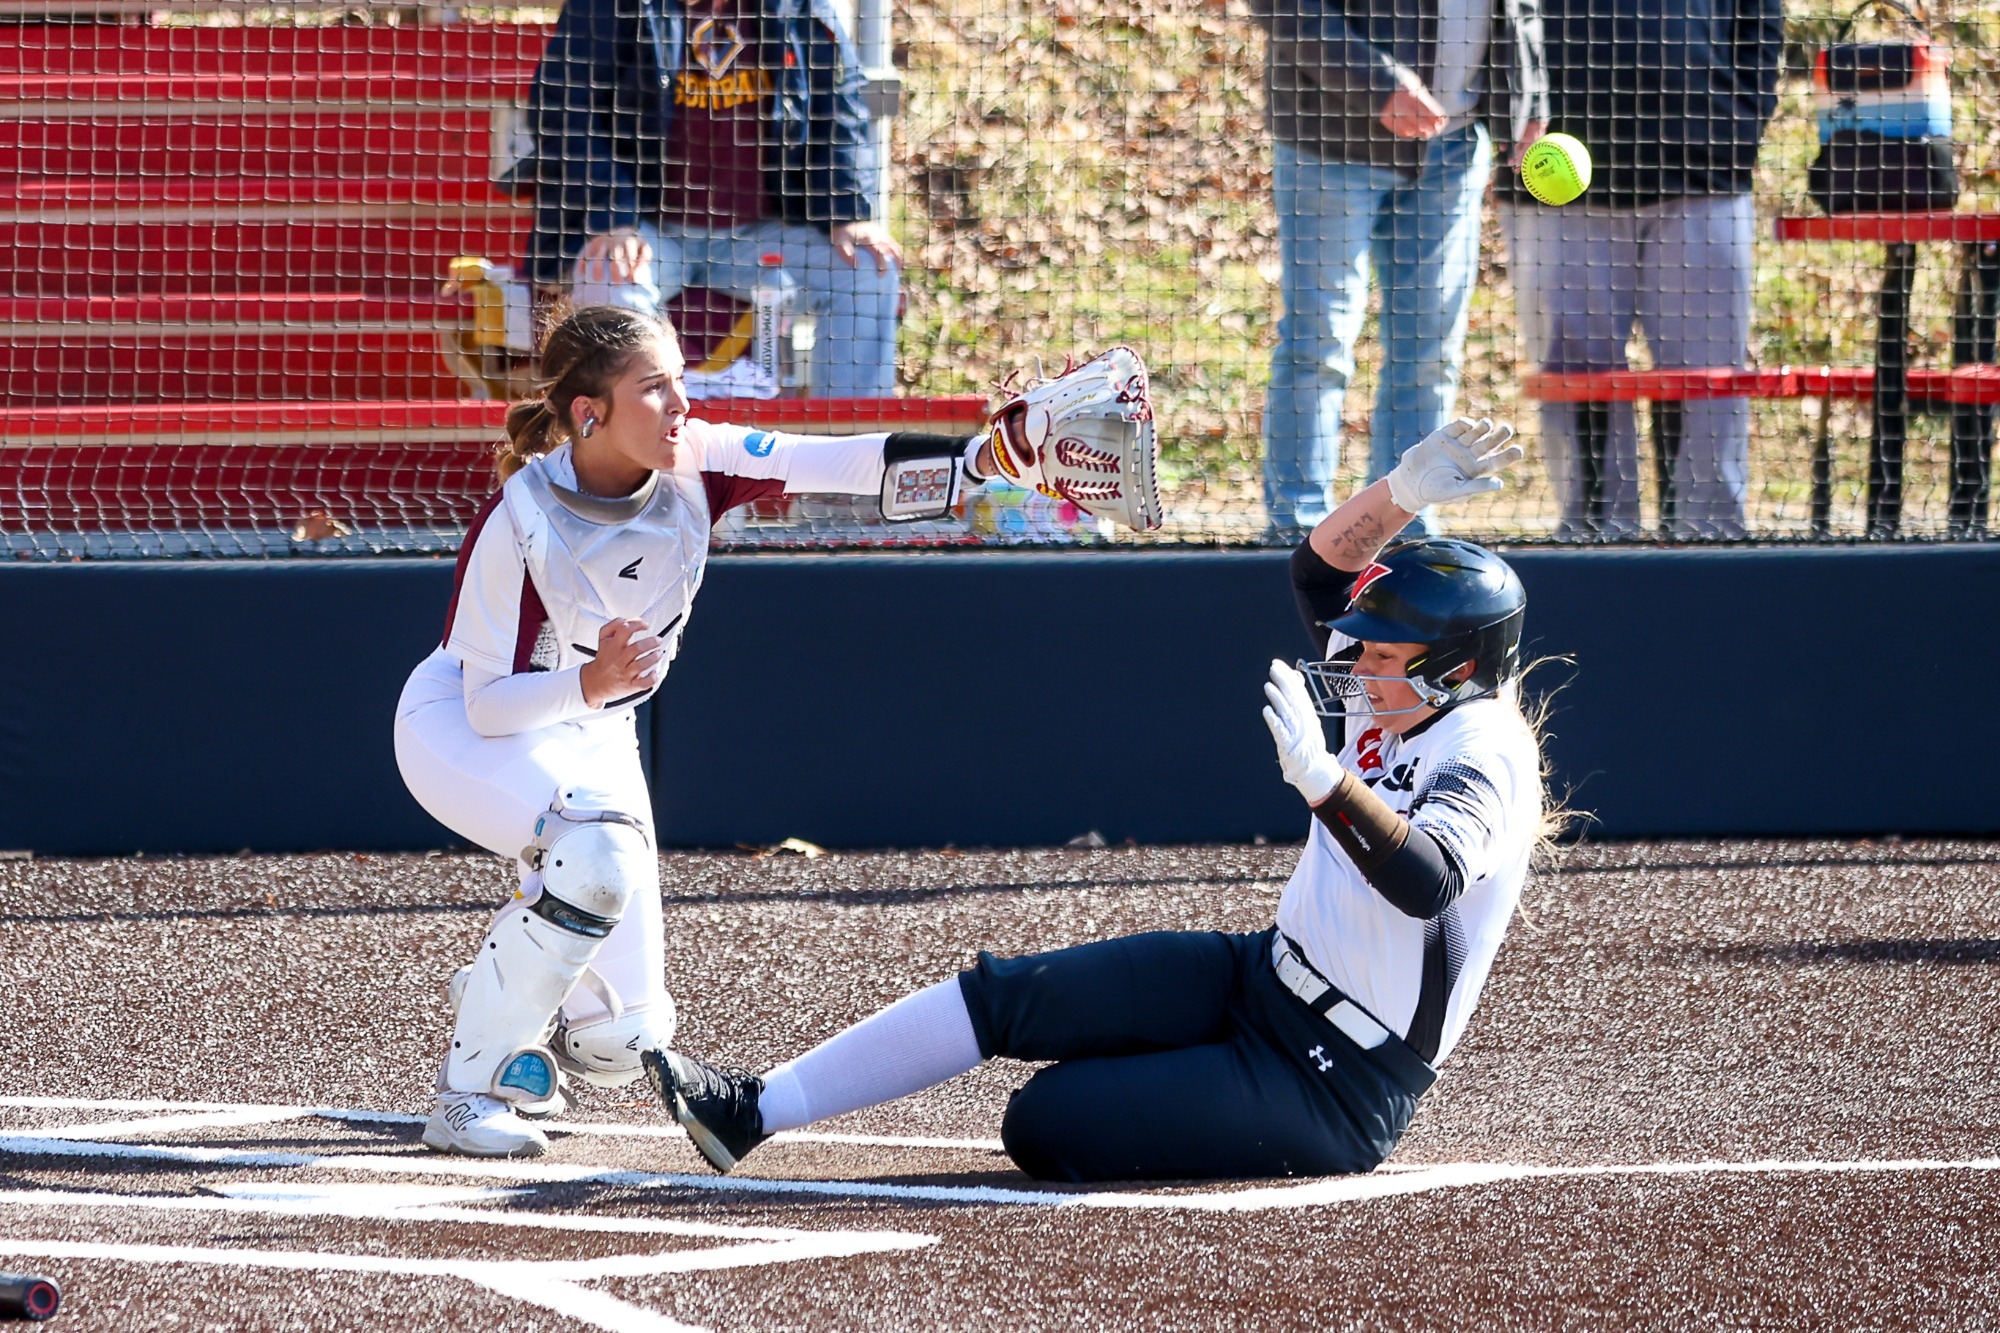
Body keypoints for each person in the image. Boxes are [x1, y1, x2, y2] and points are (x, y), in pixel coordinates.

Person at [649, 418, 1549, 1182]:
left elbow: (1428, 878)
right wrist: (1398, 489)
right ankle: (751, 1109)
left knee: (1042, 1122)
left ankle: (1172, 1077)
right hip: (1261, 974)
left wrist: (1325, 779)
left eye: (1384, 653)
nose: (1354, 663)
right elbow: (1317, 575)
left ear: (1454, 672)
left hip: (1337, 1079)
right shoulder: (1397, 690)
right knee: (1007, 995)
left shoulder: (1488, 746)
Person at [395, 304, 1004, 1157]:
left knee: (627, 1035)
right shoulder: (519, 517)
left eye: (681, 378)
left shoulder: (696, 460)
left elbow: (836, 464)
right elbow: (487, 702)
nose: (681, 401)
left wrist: (986, 459)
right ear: (588, 412)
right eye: (655, 386)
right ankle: (465, 1093)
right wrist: (592, 679)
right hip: (464, 731)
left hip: (591, 730)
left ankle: (508, 1002)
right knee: (595, 857)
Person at [1249, 0, 1548, 540]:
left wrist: (1529, 98)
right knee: (1318, 346)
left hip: (1455, 152)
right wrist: (1378, 83)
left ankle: (1404, 529)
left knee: (1428, 355)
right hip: (1330, 144)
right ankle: (1298, 533)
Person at [513, 0, 901, 398]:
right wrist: (613, 214)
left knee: (868, 272)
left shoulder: (798, 6)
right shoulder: (609, 7)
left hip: (762, 236)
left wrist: (848, 211)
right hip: (646, 233)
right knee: (608, 279)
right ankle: (643, 449)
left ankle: (853, 449)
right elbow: (562, 108)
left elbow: (842, 104)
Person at [1499, 0, 1783, 539]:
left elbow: (1761, 18)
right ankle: (1593, 541)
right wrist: (1508, 116)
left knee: (1707, 374)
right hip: (1550, 173)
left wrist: (1739, 128)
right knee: (1574, 374)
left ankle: (1709, 540)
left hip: (1704, 172)